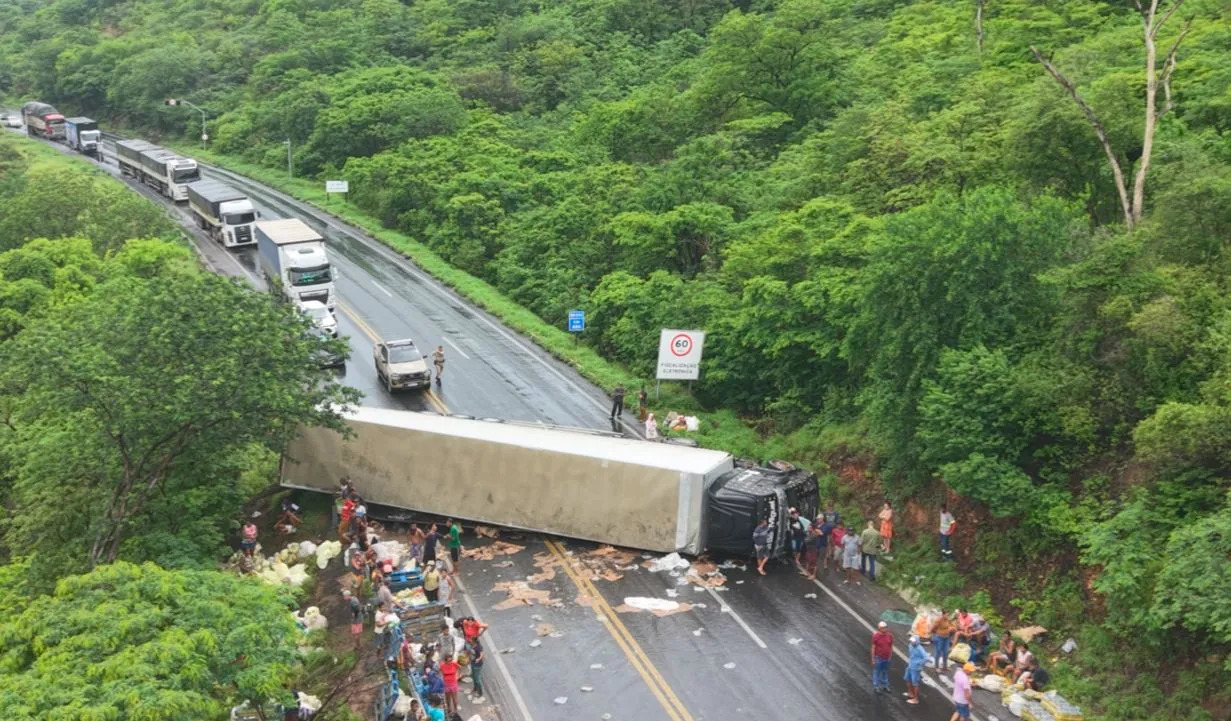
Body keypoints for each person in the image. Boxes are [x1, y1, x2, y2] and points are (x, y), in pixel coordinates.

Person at [904, 634, 928, 704]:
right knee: (907, 679)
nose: (912, 642)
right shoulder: (910, 646)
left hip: (916, 668)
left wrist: (919, 663)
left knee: (915, 683)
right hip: (910, 665)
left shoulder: (920, 649)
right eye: (912, 641)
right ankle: (910, 693)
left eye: (913, 641)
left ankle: (915, 699)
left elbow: (926, 658)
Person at [871, 621, 893, 694]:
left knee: (885, 672)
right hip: (878, 657)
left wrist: (890, 656)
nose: (885, 629)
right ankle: (876, 686)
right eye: (883, 628)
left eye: (885, 627)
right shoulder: (876, 636)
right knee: (877, 672)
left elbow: (890, 646)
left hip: (886, 658)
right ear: (879, 628)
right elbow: (873, 648)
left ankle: (885, 685)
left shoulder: (890, 635)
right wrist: (873, 659)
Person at [439, 651, 461, 716]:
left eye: (451, 660)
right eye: (448, 661)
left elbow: (460, 668)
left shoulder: (454, 664)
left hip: (453, 684)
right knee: (448, 699)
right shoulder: (442, 665)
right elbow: (439, 672)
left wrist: (458, 676)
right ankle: (449, 709)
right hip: (446, 684)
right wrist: (441, 678)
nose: (450, 662)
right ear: (445, 661)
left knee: (454, 699)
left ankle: (455, 710)